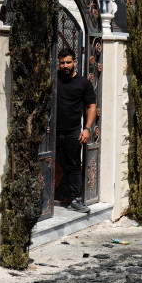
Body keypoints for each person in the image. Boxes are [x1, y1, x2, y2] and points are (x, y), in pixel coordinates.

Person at [56, 48, 97, 213]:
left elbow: (92, 106)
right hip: (52, 132)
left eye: (68, 62)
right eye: (62, 63)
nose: (65, 66)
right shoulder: (54, 79)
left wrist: (87, 129)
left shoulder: (83, 83)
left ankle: (75, 200)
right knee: (48, 163)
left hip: (73, 131)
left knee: (74, 166)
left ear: (75, 62)